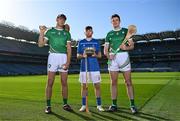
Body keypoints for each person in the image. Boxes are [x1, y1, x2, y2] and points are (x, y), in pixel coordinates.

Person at [38, 14, 72, 114]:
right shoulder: (50, 31)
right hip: (52, 57)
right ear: (57, 19)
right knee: (50, 82)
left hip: (63, 57)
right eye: (60, 19)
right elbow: (40, 44)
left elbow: (69, 49)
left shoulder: (67, 34)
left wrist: (68, 62)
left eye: (64, 20)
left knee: (64, 82)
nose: (62, 21)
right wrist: (41, 33)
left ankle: (65, 104)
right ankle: (48, 106)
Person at [104, 14, 137, 113]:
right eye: (113, 20)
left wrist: (125, 48)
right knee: (113, 82)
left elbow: (132, 46)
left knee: (128, 82)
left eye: (116, 20)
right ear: (111, 22)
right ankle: (114, 105)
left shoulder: (126, 31)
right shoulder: (109, 34)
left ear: (120, 21)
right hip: (113, 59)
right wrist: (108, 55)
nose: (115, 22)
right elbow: (105, 49)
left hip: (124, 57)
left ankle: (132, 105)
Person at [77, 26, 104, 112]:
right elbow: (78, 55)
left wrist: (95, 55)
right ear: (84, 32)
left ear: (92, 32)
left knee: (97, 86)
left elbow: (100, 55)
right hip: (84, 68)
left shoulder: (96, 42)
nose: (88, 32)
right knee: (84, 86)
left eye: (90, 31)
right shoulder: (81, 42)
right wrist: (83, 55)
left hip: (94, 67)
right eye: (87, 31)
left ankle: (99, 105)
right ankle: (84, 105)